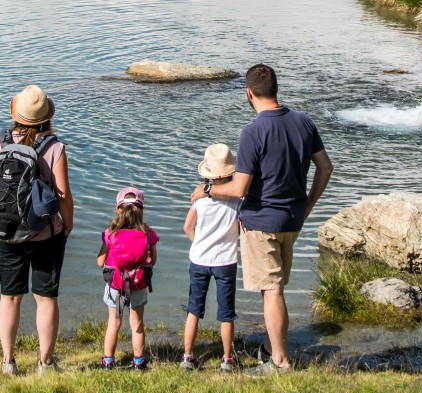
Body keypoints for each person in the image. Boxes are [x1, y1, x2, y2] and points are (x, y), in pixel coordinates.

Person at [191, 63, 332, 374]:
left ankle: (280, 362)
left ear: (249, 93)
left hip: (261, 221)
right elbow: (326, 168)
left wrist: (208, 190)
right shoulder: (303, 122)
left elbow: (240, 188)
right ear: (275, 89)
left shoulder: (253, 132)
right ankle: (270, 347)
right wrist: (307, 206)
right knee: (277, 286)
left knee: (271, 291)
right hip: (292, 220)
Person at [0, 84, 73, 376]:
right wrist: (66, 227)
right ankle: (45, 363)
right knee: (45, 298)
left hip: (5, 232)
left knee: (9, 297)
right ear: (46, 118)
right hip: (45, 234)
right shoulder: (54, 147)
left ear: (16, 114)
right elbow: (62, 195)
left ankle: (8, 362)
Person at [181, 143, 240, 372]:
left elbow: (187, 227)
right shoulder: (237, 201)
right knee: (226, 313)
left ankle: (187, 356)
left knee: (194, 309)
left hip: (199, 259)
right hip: (225, 261)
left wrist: (200, 244)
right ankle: (227, 360)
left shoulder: (200, 199)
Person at [96, 187, 159, 370]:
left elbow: (100, 262)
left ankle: (108, 361)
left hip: (115, 284)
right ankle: (138, 362)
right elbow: (152, 260)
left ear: (118, 209)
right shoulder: (148, 232)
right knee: (137, 324)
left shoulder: (110, 232)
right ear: (141, 210)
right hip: (138, 283)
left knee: (114, 323)